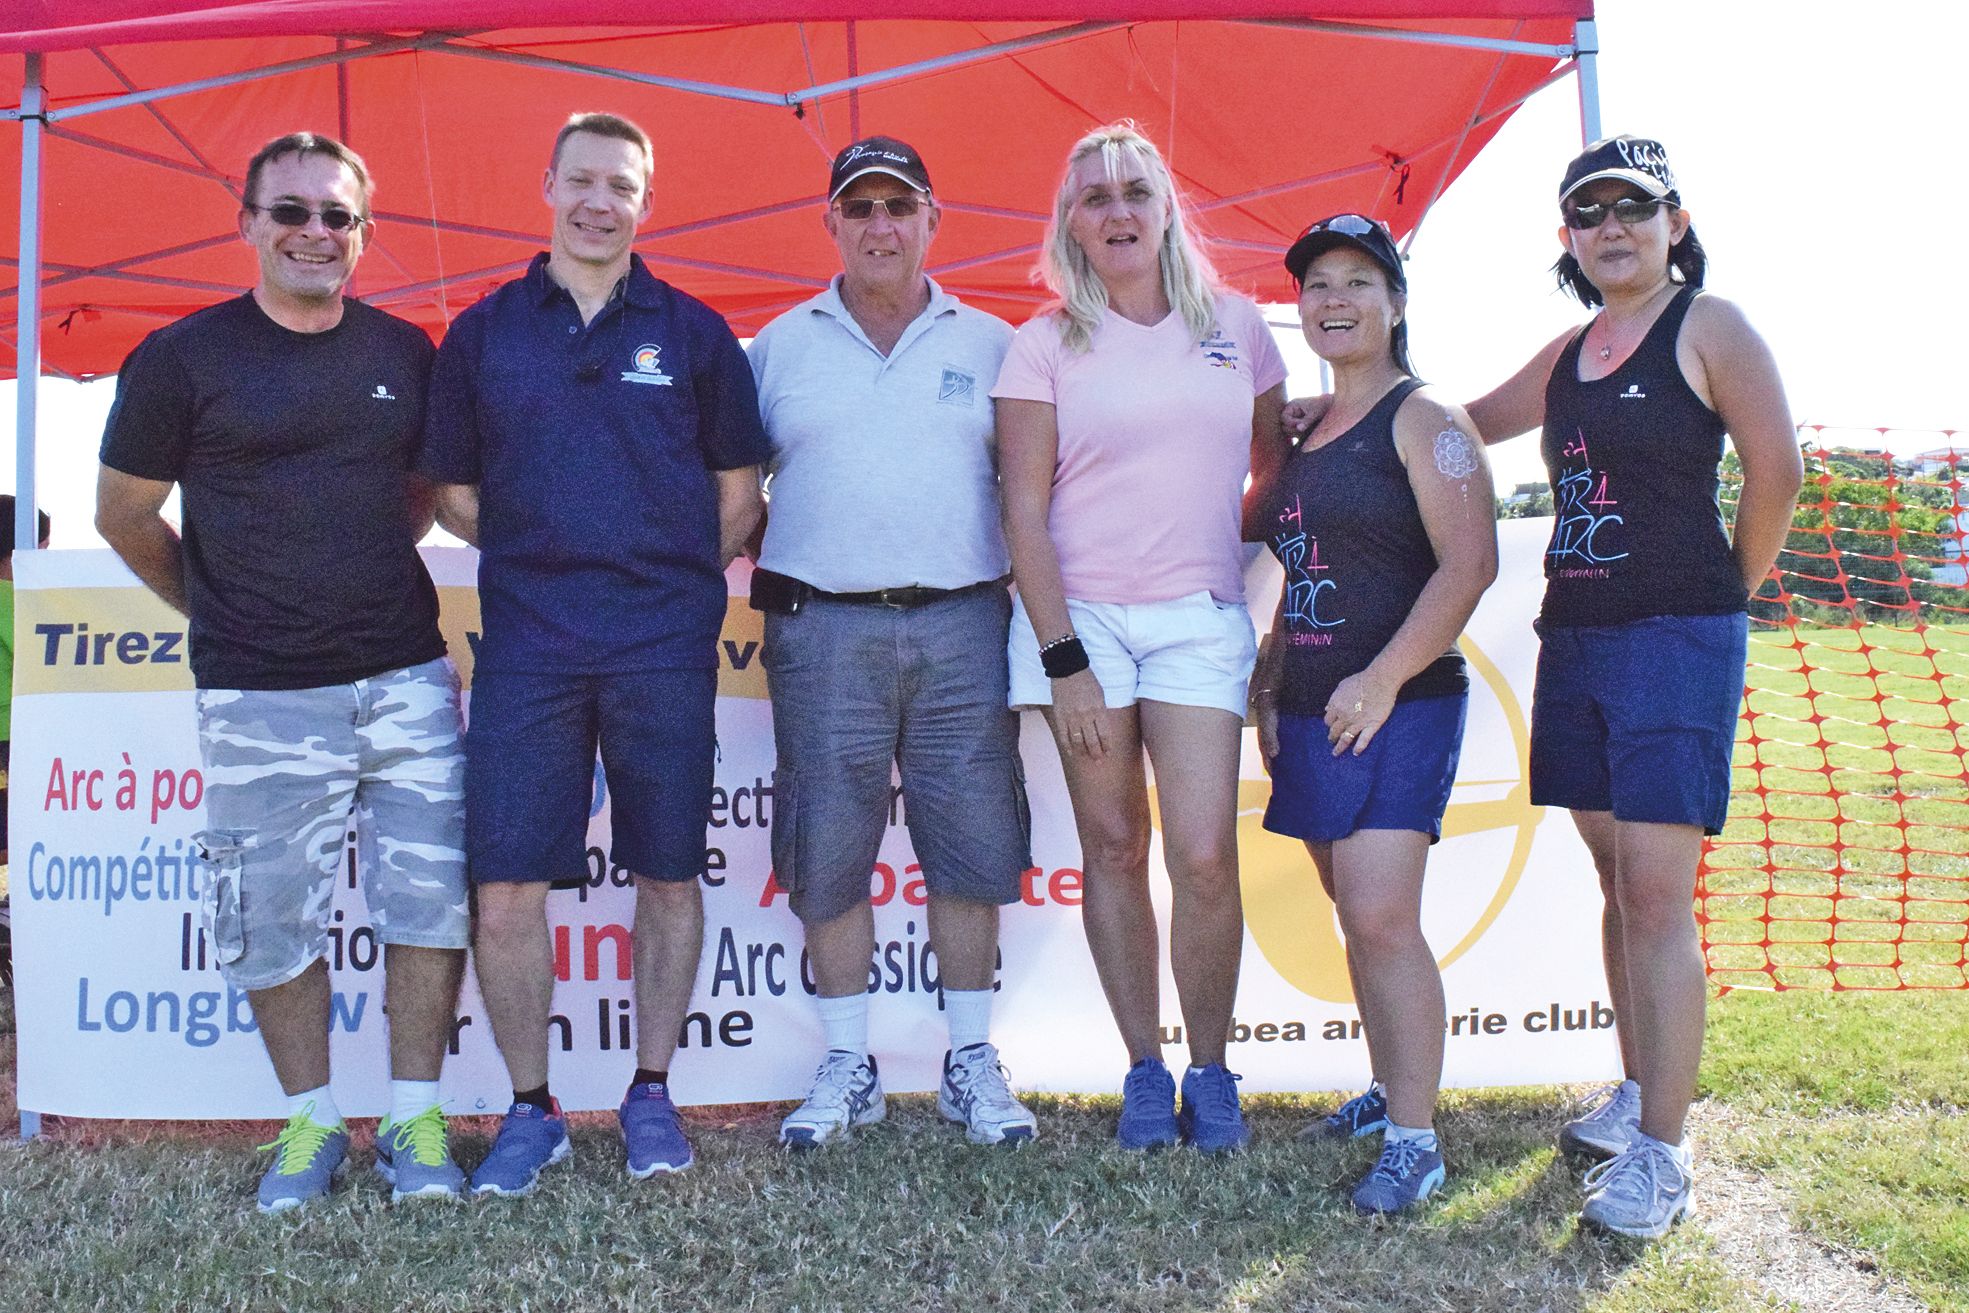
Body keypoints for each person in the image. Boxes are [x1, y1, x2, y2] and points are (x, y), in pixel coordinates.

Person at [96, 133, 471, 1211]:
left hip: (404, 678)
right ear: (249, 223)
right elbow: (124, 514)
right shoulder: (181, 357)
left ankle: (414, 1119)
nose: (315, 232)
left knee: (429, 904)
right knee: (269, 917)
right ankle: (311, 1125)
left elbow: (417, 501)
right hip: (257, 691)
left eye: (337, 216)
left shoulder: (406, 351)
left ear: (364, 233)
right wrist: (220, 605)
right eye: (292, 211)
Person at [418, 112, 770, 1194]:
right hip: (528, 644)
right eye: (581, 181)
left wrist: (661, 572)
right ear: (547, 185)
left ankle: (650, 1091)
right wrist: (549, 550)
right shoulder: (483, 333)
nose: (597, 203)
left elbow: (739, 495)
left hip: (662, 644)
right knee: (506, 887)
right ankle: (532, 1109)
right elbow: (452, 491)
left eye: (620, 186)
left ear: (645, 203)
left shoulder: (696, 333)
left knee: (668, 872)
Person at [1462, 136, 1803, 1237]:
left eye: (1632, 207)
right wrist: (1337, 416)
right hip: (1576, 637)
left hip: (1673, 639)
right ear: (1565, 236)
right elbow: (1462, 426)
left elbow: (1777, 470)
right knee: (1617, 883)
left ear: (1674, 223)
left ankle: (1664, 1150)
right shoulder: (1569, 350)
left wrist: (1722, 594)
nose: (1610, 226)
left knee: (1657, 898)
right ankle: (1637, 1087)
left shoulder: (1708, 326)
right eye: (1588, 212)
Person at [995, 122, 1287, 1153]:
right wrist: (1063, 658)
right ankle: (1144, 1071)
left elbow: (1274, 471)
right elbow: (1021, 510)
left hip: (1197, 621)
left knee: (1203, 853)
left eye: (1134, 192)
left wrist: (1231, 575)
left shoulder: (1240, 328)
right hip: (1079, 628)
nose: (1116, 211)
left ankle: (1211, 1069)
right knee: (1114, 847)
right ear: (1070, 223)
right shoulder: (1042, 343)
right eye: (1094, 197)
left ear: (1167, 209)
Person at [746, 136, 1037, 1150]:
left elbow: (1041, 485)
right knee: (826, 844)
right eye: (859, 206)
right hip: (821, 625)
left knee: (970, 842)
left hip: (964, 621)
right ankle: (847, 1061)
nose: (880, 224)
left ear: (931, 220)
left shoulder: (995, 343)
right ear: (829, 221)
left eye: (898, 205)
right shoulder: (775, 347)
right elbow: (729, 488)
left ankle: (969, 1058)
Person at [1247, 215, 1497, 1213]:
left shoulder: (1423, 415)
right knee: (1355, 916)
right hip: (1313, 709)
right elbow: (1302, 570)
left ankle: (1415, 1141)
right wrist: (1271, 683)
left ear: (1395, 302)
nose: (1334, 299)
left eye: (1358, 280)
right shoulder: (1303, 433)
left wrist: (1384, 678)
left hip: (1399, 703)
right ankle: (1391, 1089)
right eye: (1317, 284)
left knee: (1384, 917)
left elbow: (1469, 564)